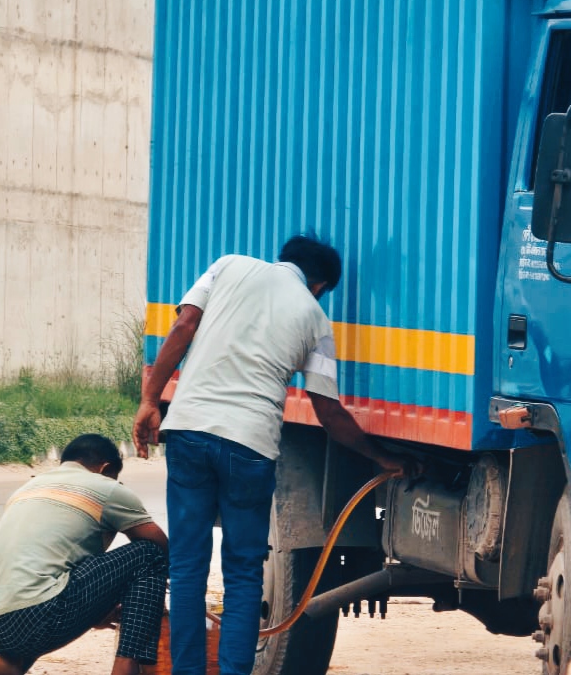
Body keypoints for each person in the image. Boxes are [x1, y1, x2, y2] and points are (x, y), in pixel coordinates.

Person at [132, 234, 415, 675]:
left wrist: (150, 399)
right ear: (320, 285)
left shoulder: (227, 264)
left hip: (188, 431)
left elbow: (183, 326)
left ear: (286, 259)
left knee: (187, 567)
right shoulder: (314, 318)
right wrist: (378, 455)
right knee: (244, 576)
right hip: (249, 446)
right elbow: (327, 411)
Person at [0, 433, 169, 675]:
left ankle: (10, 664)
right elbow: (160, 547)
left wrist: (101, 606)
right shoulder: (106, 488)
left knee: (45, 580)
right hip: (35, 619)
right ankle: (126, 666)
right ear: (105, 468)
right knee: (149, 554)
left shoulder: (28, 487)